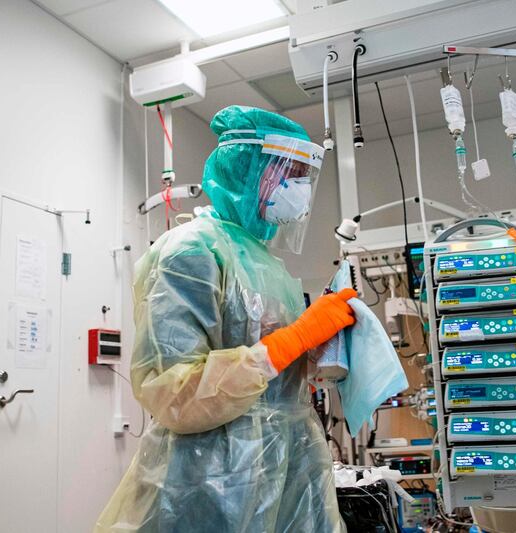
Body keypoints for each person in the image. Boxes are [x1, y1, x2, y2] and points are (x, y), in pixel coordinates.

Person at [96, 106, 353, 532]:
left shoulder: (270, 267)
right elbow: (173, 392)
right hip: (207, 481)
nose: (300, 189)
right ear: (248, 170)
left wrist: (319, 349)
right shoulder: (191, 252)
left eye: (303, 177)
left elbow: (274, 375)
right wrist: (293, 339)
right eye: (288, 173)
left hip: (286, 465)